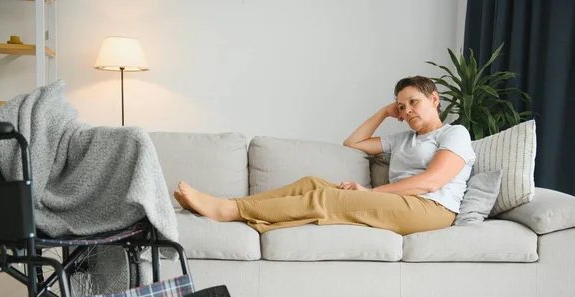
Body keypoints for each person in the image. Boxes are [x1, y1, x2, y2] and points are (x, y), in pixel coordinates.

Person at [174, 76, 476, 235]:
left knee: (329, 200)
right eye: (401, 106)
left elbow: (429, 182)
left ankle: (228, 212)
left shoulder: (454, 134)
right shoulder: (403, 138)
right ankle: (228, 204)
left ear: (434, 99)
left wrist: (371, 193)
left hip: (432, 209)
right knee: (311, 184)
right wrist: (385, 112)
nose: (407, 111)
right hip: (399, 202)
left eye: (414, 102)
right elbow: (352, 143)